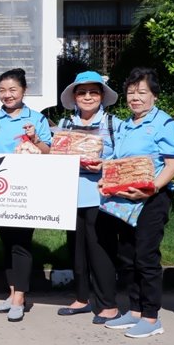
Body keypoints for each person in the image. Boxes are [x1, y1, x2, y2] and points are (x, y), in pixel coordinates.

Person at [98, 68, 174, 339]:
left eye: (142, 92)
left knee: (146, 256)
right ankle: (134, 311)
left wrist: (151, 188)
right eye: (131, 92)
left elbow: (173, 163)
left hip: (152, 199)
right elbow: (118, 161)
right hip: (125, 200)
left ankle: (151, 317)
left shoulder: (164, 123)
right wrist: (107, 180)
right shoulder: (125, 125)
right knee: (127, 256)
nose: (135, 97)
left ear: (154, 95)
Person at [0, 68, 52, 322]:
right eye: (2, 90)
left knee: (21, 242)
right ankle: (12, 291)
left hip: (27, 190)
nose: (7, 95)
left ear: (24, 91)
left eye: (13, 90)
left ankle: (20, 297)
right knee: (7, 242)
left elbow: (49, 152)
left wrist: (35, 139)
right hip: (0, 190)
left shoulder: (37, 119)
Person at [52, 71, 122, 324]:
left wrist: (103, 164)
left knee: (101, 251)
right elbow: (55, 155)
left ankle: (108, 305)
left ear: (102, 95)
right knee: (77, 250)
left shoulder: (114, 124)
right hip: (71, 195)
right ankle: (82, 298)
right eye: (82, 92)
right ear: (74, 97)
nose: (88, 97)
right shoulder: (64, 125)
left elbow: (124, 157)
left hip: (102, 196)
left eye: (93, 92)